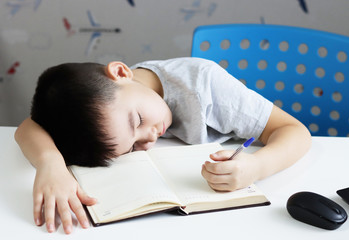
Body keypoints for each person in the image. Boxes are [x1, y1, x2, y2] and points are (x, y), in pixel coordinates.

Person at [15, 57, 311, 234]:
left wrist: (257, 166)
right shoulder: (95, 103)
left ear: (121, 73)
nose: (149, 139)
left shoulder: (204, 85)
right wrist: (50, 165)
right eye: (132, 147)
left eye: (138, 121)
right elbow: (28, 127)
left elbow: (294, 131)